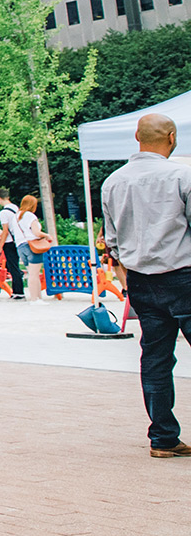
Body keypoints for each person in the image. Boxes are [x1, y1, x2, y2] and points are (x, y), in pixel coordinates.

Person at [99, 113, 191, 458]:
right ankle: (165, 438)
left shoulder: (113, 182)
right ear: (171, 137)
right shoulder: (183, 174)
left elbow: (111, 240)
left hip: (142, 280)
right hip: (183, 275)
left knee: (155, 358)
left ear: (137, 136)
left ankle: (163, 437)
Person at [16, 195, 49, 302]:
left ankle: (38, 297)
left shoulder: (17, 216)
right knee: (34, 275)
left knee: (31, 273)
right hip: (33, 246)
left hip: (21, 246)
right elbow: (36, 232)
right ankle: (35, 298)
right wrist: (47, 235)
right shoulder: (30, 216)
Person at [0, 188, 24, 299]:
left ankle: (18, 292)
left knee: (13, 267)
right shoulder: (15, 208)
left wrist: (0, 246)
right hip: (17, 239)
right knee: (15, 265)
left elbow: (5, 230)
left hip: (9, 242)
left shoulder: (3, 212)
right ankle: (18, 290)